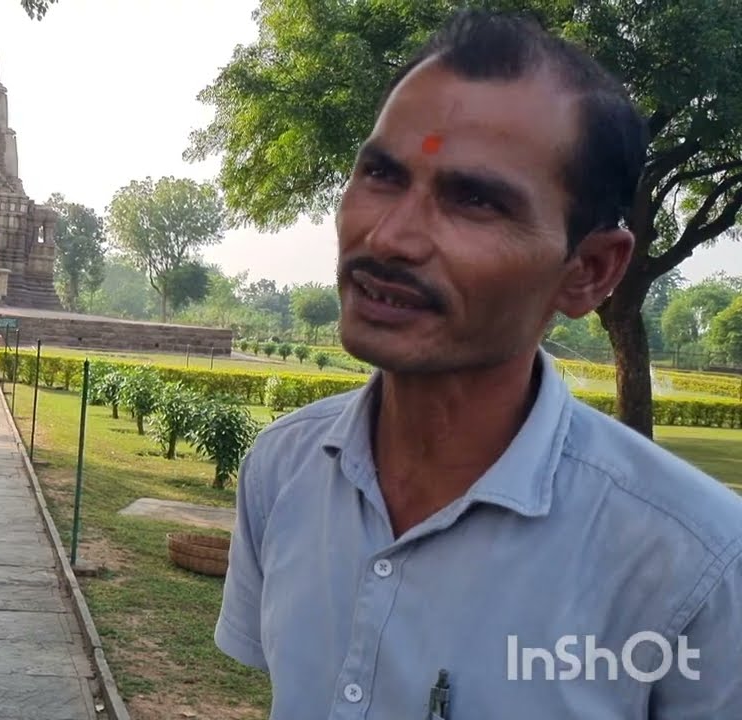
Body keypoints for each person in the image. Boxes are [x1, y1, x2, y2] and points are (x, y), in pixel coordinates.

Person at [214, 10, 742, 719]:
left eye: (475, 201)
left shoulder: (696, 567)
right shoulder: (282, 470)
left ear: (587, 270)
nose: (391, 236)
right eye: (381, 173)